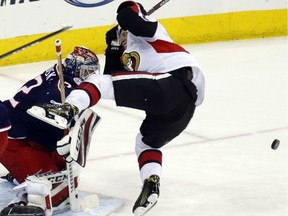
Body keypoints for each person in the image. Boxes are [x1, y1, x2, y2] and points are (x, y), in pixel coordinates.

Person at [32, 1, 205, 215]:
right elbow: (113, 77)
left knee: (95, 81)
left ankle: (67, 110)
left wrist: (124, 19)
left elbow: (129, 14)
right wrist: (112, 48)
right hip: (181, 107)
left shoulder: (152, 30)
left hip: (173, 82)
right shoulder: (129, 50)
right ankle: (151, 183)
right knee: (146, 143)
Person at [0, 46, 100, 216]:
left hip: (30, 134)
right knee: (52, 191)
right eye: (90, 72)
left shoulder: (57, 72)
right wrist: (61, 116)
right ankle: (21, 199)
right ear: (81, 71)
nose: (92, 77)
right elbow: (50, 101)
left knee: (66, 176)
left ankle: (22, 174)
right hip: (13, 138)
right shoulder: (65, 87)